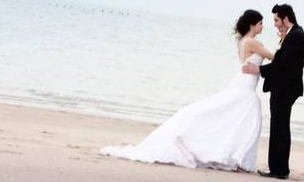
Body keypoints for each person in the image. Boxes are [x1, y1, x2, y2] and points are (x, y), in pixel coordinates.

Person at [101, 10, 274, 171]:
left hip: (242, 82)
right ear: (252, 25)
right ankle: (236, 158)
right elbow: (273, 57)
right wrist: (283, 44)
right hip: (245, 86)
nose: (262, 26)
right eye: (260, 23)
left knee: (235, 118)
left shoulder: (243, 41)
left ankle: (236, 157)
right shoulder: (253, 42)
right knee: (242, 118)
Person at [242, 3, 304, 179]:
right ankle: (279, 169)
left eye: (277, 20)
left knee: (280, 127)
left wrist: (259, 70)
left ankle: (279, 170)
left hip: (286, 89)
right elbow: (282, 60)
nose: (275, 23)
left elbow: (283, 64)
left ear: (286, 19)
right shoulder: (292, 35)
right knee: (279, 127)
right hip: (283, 87)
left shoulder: (297, 36)